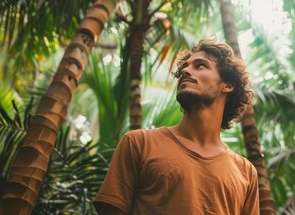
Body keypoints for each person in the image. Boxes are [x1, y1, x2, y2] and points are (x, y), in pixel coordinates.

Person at [93, 38, 259, 214]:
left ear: (228, 85)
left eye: (200, 65)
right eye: (185, 67)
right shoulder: (138, 144)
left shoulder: (246, 173)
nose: (186, 71)